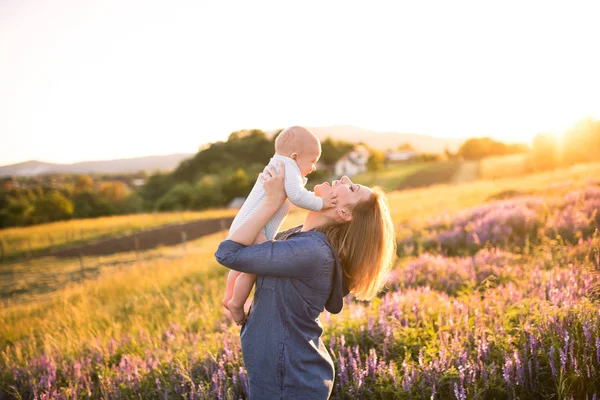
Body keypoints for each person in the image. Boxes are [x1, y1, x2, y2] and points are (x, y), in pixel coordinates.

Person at [214, 162, 396, 399]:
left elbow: (228, 254)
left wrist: (271, 202)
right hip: (281, 373)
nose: (343, 179)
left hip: (290, 380)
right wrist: (277, 194)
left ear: (344, 213)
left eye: (351, 189)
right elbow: (253, 245)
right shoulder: (299, 237)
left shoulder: (311, 251)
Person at [223, 126, 337, 324]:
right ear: (294, 156)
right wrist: (322, 203)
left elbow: (295, 192)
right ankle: (236, 303)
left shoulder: (278, 164)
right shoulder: (288, 167)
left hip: (247, 223)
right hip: (255, 228)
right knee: (251, 269)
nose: (314, 167)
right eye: (312, 161)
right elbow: (297, 195)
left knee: (242, 263)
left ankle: (228, 295)